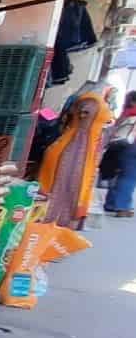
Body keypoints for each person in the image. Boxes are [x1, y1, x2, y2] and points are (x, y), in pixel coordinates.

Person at [37, 81, 112, 229]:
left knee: (72, 184)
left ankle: (57, 220)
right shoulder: (91, 102)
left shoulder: (92, 101)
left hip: (82, 148)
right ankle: (54, 220)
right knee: (68, 184)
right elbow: (83, 116)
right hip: (75, 149)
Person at [101, 98, 136, 217]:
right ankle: (122, 207)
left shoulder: (127, 112)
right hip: (131, 145)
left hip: (120, 145)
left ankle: (111, 204)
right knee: (129, 177)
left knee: (118, 174)